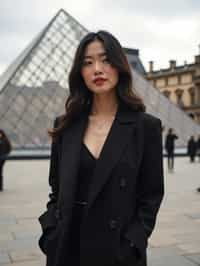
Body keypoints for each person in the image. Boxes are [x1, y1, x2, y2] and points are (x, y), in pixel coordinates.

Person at [38, 30, 164, 266]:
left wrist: (132, 243)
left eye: (106, 60)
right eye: (88, 62)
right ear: (80, 73)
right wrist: (50, 233)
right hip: (66, 249)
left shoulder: (146, 127)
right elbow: (56, 190)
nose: (97, 68)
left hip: (117, 252)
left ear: (120, 66)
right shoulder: (65, 126)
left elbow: (151, 197)